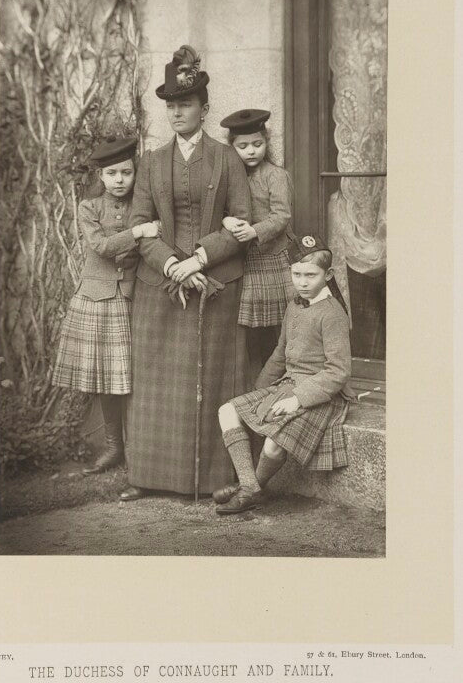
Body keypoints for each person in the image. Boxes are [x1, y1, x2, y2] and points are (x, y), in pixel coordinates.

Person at [120, 45, 252, 501]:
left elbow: (242, 222)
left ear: (204, 108)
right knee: (158, 382)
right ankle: (149, 476)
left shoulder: (227, 158)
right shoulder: (153, 162)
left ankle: (217, 478)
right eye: (171, 105)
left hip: (216, 284)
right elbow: (139, 227)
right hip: (161, 286)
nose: (177, 113)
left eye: (186, 105)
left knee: (215, 378)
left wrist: (200, 259)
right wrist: (174, 264)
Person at [213, 233, 354, 515]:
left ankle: (250, 488)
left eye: (311, 275)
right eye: (297, 274)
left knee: (274, 443)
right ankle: (249, 485)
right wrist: (259, 391)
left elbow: (339, 371)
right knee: (228, 410)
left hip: (320, 394)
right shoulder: (294, 305)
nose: (302, 282)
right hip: (287, 384)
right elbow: (280, 353)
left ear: (329, 275)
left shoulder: (333, 314)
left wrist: (298, 400)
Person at [52, 136, 161, 474]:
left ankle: (142, 446)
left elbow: (145, 244)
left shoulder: (142, 207)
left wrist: (139, 232)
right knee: (107, 377)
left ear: (134, 173)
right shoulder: (89, 207)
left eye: (126, 173)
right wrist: (139, 232)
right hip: (98, 297)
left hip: (135, 295)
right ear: (101, 176)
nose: (119, 180)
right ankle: (114, 446)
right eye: (112, 173)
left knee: (139, 373)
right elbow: (100, 247)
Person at [220, 108, 295, 382]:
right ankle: (254, 387)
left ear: (267, 142)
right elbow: (220, 209)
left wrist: (254, 231)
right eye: (242, 146)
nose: (250, 151)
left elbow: (282, 216)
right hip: (244, 263)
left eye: (257, 144)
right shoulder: (229, 178)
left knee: (276, 330)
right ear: (232, 147)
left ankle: (278, 382)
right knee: (249, 331)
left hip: (272, 259)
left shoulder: (275, 175)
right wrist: (226, 221)